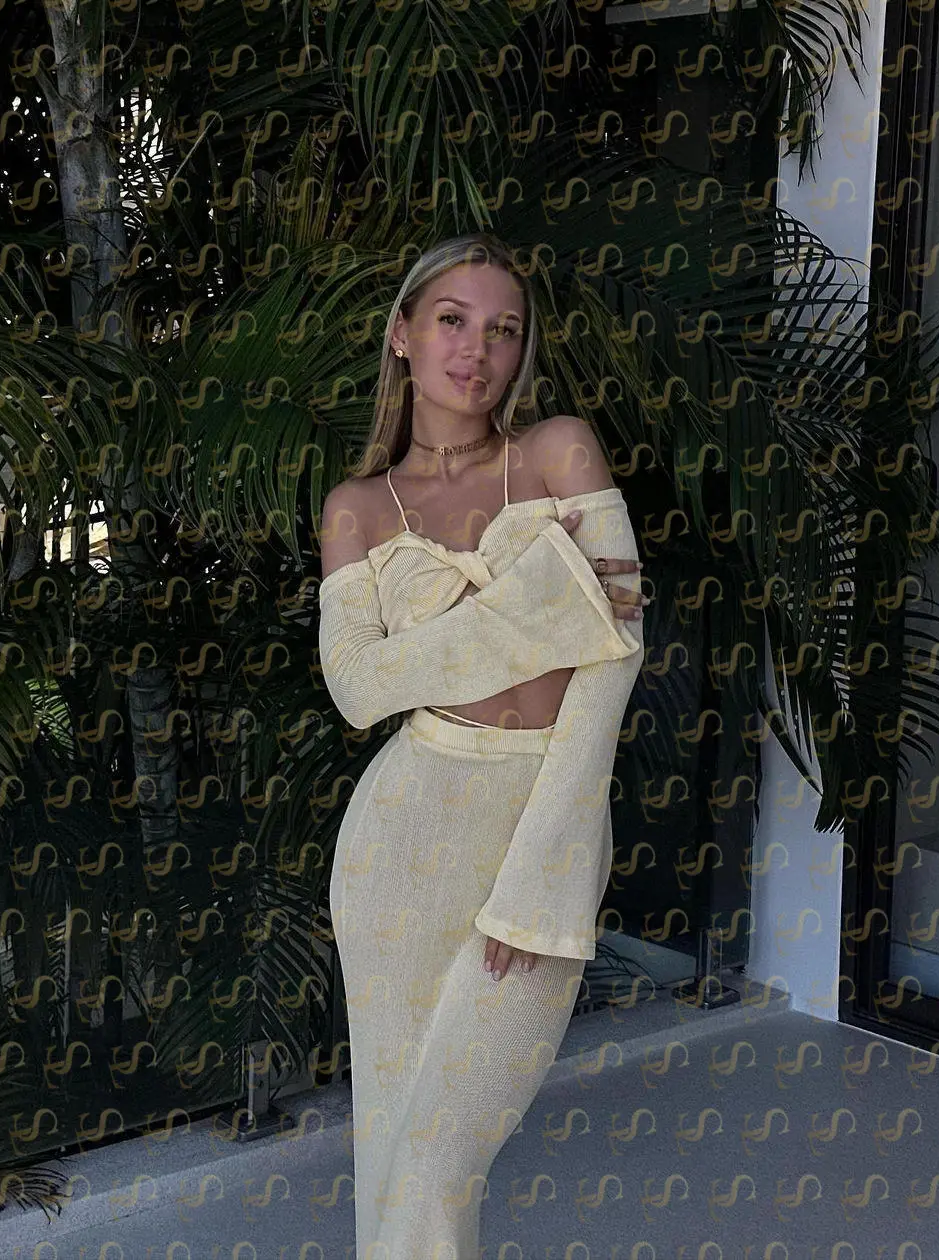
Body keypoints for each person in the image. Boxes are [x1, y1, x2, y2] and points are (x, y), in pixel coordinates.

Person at [317, 233, 647, 1257]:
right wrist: (550, 605)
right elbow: (359, 689)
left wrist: (545, 875)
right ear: (402, 335)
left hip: (544, 823)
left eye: (503, 329)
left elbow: (615, 660)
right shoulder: (356, 509)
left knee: (439, 1161)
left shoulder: (558, 451)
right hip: (400, 840)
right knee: (395, 1142)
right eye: (453, 320)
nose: (478, 350)